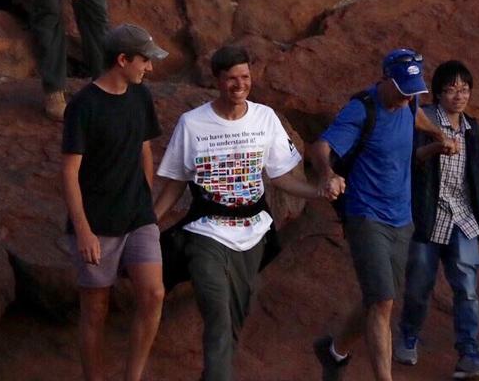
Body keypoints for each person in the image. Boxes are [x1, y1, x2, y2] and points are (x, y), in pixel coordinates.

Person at [153, 45, 328, 381]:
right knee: (218, 316)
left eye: (245, 77)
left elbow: (281, 177)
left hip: (254, 232)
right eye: (231, 78)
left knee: (234, 319)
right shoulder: (193, 124)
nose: (239, 84)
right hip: (205, 232)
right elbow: (176, 182)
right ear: (217, 80)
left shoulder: (265, 118)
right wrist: (150, 224)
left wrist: (317, 190)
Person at [311, 48, 446, 381]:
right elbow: (320, 147)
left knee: (378, 299)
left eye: (413, 90)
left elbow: (415, 114)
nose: (407, 97)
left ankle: (333, 352)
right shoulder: (362, 109)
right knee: (384, 300)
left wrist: (436, 133)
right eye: (402, 90)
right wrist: (328, 174)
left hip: (402, 217)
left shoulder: (410, 100)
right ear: (385, 78)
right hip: (365, 214)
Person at [61, 23, 167, 381]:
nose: (149, 67)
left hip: (138, 216)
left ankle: (132, 377)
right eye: (144, 60)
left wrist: (146, 199)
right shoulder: (83, 105)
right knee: (95, 310)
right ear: (122, 60)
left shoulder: (141, 96)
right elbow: (69, 172)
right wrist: (83, 232)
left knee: (153, 293)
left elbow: (145, 150)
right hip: (97, 222)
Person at [394, 60, 479, 379]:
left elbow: (476, 171)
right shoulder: (421, 120)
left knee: (467, 287)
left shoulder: (472, 127)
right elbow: (408, 161)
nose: (459, 96)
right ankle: (409, 335)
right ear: (437, 93)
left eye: (464, 89)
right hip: (429, 215)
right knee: (419, 285)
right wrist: (437, 147)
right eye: (451, 90)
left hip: (463, 216)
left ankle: (468, 353)